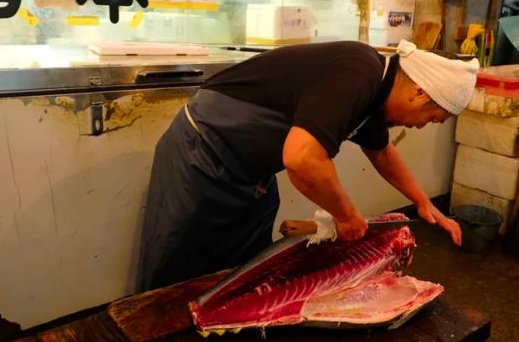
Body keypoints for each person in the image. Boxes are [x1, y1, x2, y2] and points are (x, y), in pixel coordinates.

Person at [139, 39, 479, 291]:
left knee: (245, 275)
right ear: (418, 92)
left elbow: (381, 151)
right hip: (203, 155)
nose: (421, 126)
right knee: (177, 274)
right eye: (431, 118)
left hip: (249, 174)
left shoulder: (376, 90)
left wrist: (422, 202)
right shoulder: (358, 74)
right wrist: (346, 215)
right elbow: (301, 158)